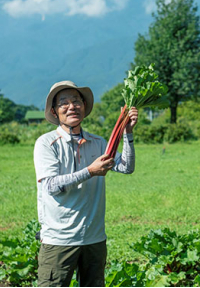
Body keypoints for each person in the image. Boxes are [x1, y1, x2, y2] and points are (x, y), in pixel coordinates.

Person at [33, 81, 138, 287]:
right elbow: (51, 186)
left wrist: (128, 133)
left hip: (94, 238)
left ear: (84, 106)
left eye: (76, 101)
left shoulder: (97, 143)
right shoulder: (46, 143)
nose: (71, 106)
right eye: (64, 103)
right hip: (59, 239)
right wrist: (90, 171)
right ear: (54, 111)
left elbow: (126, 167)